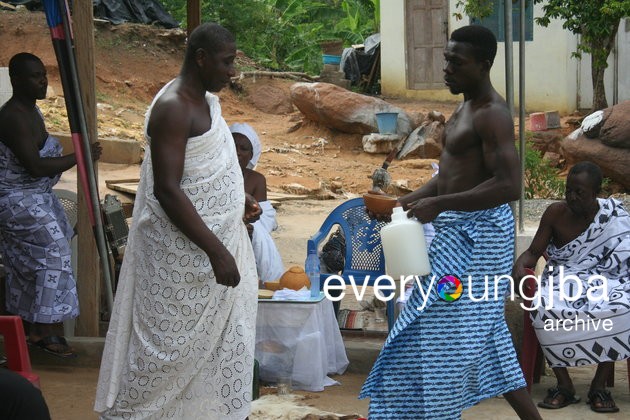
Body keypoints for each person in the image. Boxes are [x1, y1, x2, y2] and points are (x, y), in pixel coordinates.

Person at [359, 25, 541, 419]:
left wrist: (440, 206)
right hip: (457, 230)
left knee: (436, 331)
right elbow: (450, 174)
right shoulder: (465, 106)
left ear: (484, 64)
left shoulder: (492, 113)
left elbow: (509, 185)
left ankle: (434, 411)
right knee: (481, 334)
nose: (447, 69)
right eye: (447, 59)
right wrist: (405, 201)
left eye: (456, 63)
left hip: (480, 239)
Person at [94, 23, 260, 419]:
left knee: (220, 348)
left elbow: (206, 170)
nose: (231, 71)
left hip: (212, 253)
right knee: (163, 356)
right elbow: (167, 190)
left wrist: (239, 197)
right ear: (200, 58)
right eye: (226, 62)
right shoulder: (173, 107)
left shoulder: (205, 101)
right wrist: (218, 252)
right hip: (180, 263)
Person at [0, 52, 102, 358]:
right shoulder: (13, 116)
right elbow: (34, 166)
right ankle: (45, 328)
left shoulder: (31, 111)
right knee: (54, 252)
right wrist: (79, 156)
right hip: (15, 198)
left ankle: (31, 328)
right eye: (35, 76)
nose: (43, 80)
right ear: (16, 81)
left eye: (44, 74)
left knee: (33, 260)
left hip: (33, 196)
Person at [513, 161, 630, 414]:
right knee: (543, 306)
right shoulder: (555, 213)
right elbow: (533, 253)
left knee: (620, 308)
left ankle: (599, 386)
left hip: (605, 277)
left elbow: (624, 254)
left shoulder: (613, 215)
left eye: (580, 193)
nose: (572, 197)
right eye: (568, 190)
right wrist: (519, 268)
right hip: (562, 278)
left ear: (597, 192)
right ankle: (564, 384)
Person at [230, 122, 284, 284]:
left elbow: (264, 219)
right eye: (233, 146)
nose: (237, 152)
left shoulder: (256, 180)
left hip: (248, 235)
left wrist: (248, 227)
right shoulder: (213, 175)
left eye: (244, 149)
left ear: (252, 155)